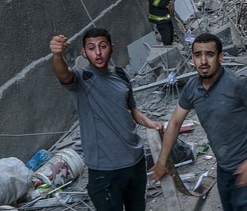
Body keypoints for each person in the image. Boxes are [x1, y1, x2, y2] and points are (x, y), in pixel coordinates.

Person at [150, 33, 247, 211]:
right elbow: (174, 124)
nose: (203, 61)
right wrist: (162, 162)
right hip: (224, 169)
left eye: (209, 55)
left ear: (221, 57)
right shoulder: (191, 88)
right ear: (192, 59)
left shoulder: (238, 84)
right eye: (198, 55)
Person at [50, 28, 163, 211]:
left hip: (134, 161)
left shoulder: (120, 75)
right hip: (105, 169)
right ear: (84, 53)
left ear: (112, 48)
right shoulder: (81, 79)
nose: (98, 52)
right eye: (91, 48)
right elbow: (64, 74)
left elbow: (132, 108)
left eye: (102, 46)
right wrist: (57, 55)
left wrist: (150, 123)